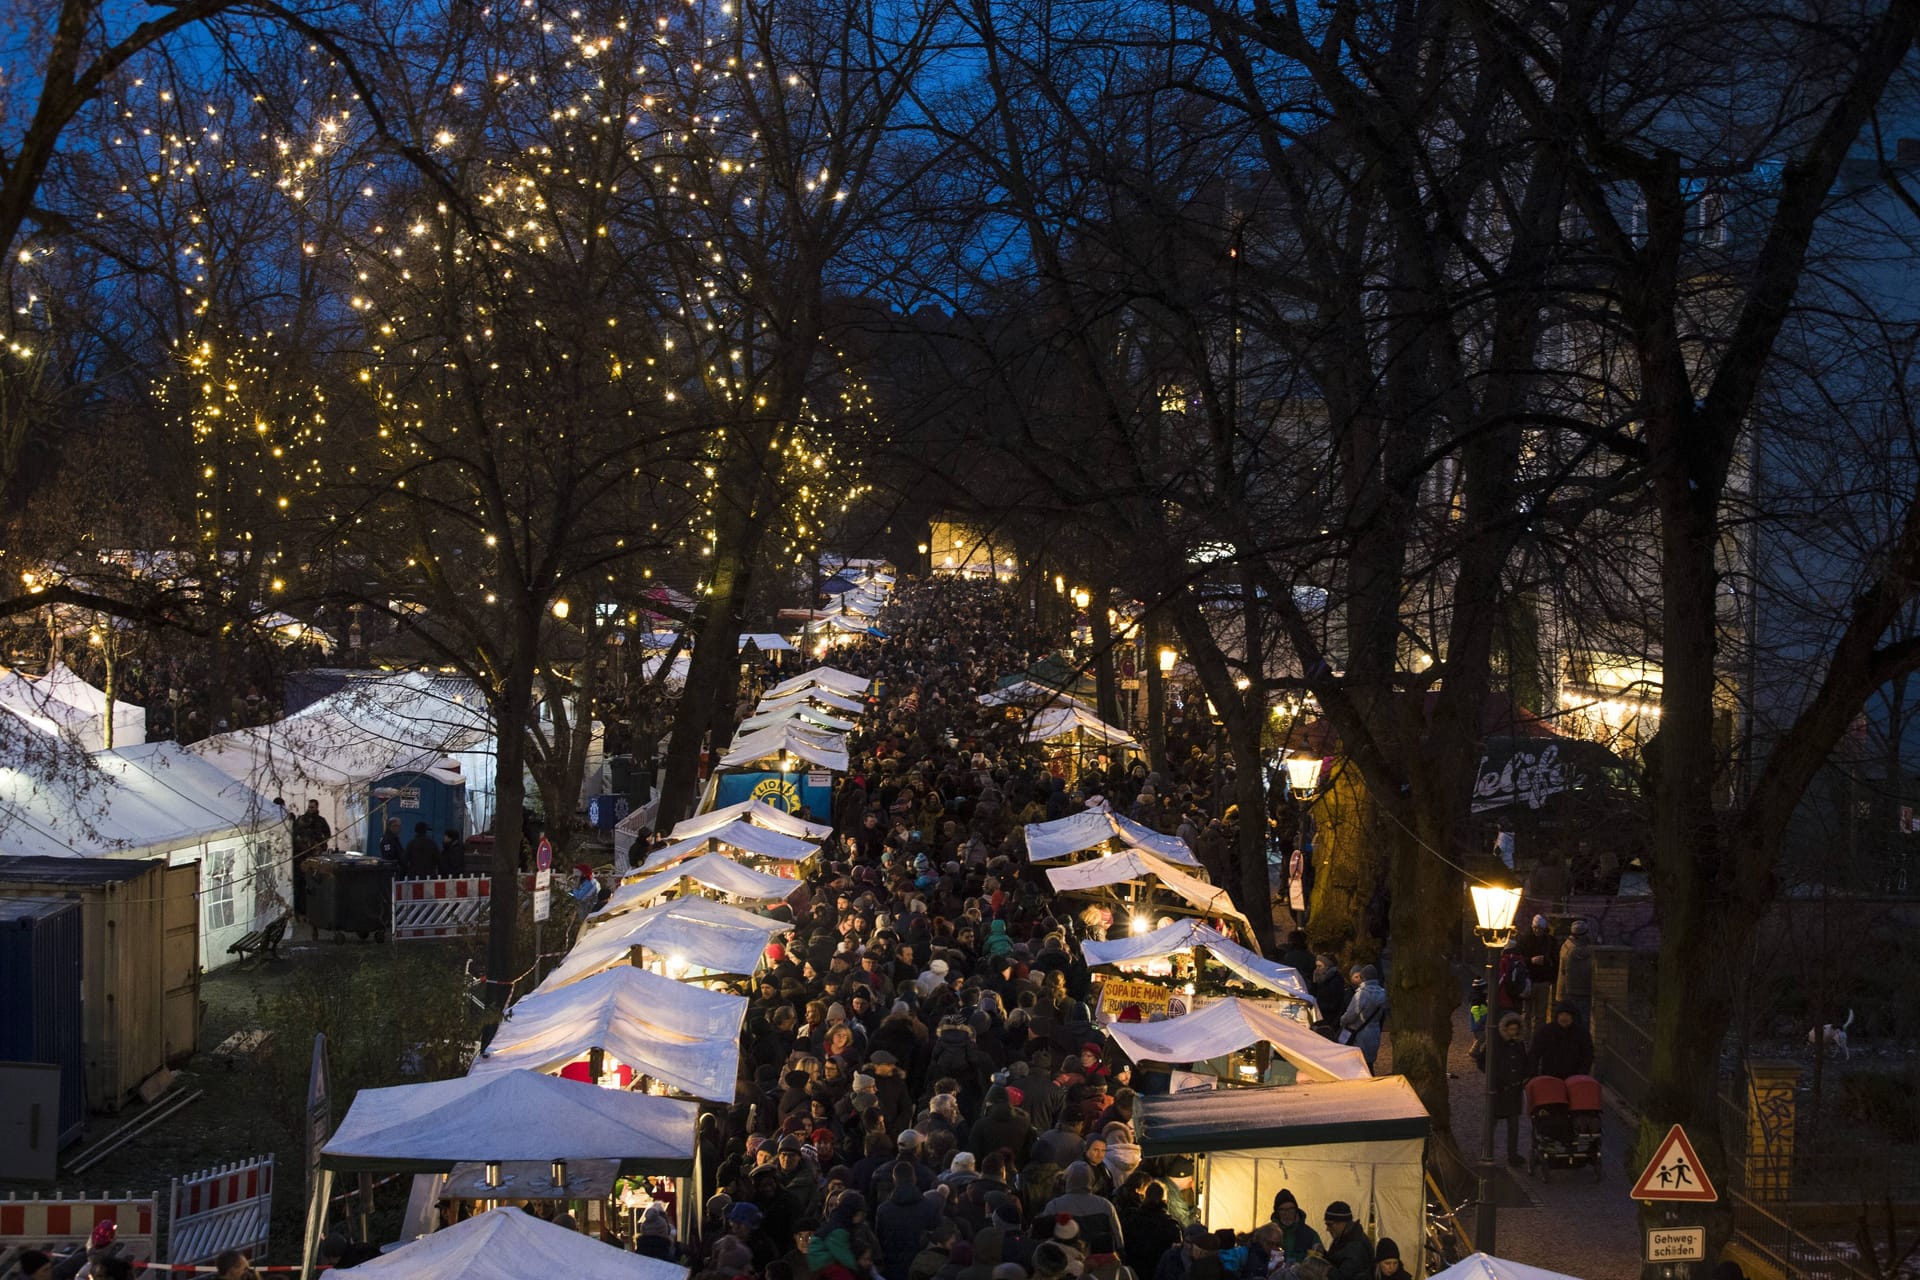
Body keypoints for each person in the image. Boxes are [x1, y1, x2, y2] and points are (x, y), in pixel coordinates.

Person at [1473, 1012, 1529, 1166]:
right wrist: (1493, 1077)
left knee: (1514, 1124)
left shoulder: (1519, 1045)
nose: (1512, 1033)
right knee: (1492, 1122)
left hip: (1514, 1090)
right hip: (1498, 1089)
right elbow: (1481, 1061)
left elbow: (1524, 1062)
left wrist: (1523, 1076)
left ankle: (1513, 1155)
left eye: (1515, 1030)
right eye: (1510, 1030)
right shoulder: (1496, 1044)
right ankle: (1486, 1151)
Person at [1339, 966, 1388, 1071]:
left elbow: (1351, 1015)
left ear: (1363, 977)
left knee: (1358, 1064)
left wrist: (1342, 1021)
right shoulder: (1383, 993)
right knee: (1369, 1064)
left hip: (1359, 1034)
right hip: (1374, 1031)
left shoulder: (1362, 994)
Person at [1530, 1001, 1596, 1079]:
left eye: (1567, 1015)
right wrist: (1533, 1074)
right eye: (1561, 1014)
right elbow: (1534, 1053)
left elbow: (1587, 1055)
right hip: (1550, 1077)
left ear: (1572, 1017)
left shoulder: (1581, 1033)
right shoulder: (1546, 1031)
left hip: (1574, 1078)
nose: (1564, 1018)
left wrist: (1582, 1073)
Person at [290, 798, 331, 920]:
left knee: (314, 884)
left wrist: (319, 846)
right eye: (309, 807)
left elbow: (327, 835)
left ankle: (313, 910)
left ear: (317, 807)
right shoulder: (301, 820)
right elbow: (295, 835)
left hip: (315, 858)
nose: (310, 809)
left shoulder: (321, 821)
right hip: (301, 858)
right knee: (300, 885)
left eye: (313, 807)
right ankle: (300, 910)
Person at [1520, 916, 1558, 1032]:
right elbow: (1519, 958)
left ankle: (1537, 1038)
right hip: (1529, 980)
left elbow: (1555, 959)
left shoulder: (1550, 941)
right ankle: (1526, 1038)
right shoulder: (1525, 940)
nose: (1537, 931)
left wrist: (1545, 961)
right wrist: (1530, 960)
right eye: (1535, 928)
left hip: (1542, 981)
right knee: (1527, 1013)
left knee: (1540, 1014)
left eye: (1540, 928)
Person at [1319, 1202, 1374, 1280]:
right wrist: (1323, 1254)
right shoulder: (1343, 1238)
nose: (1327, 1229)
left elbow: (1343, 1276)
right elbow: (1337, 1260)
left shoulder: (1357, 1246)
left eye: (1329, 1224)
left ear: (1342, 1223)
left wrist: (1324, 1270)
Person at [1267, 1188, 1321, 1262]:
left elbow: (1318, 1261)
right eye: (1282, 1210)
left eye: (1290, 1209)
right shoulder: (1267, 1234)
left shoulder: (1310, 1235)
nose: (1287, 1213)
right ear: (1277, 1212)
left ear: (1296, 1210)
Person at [1556, 920, 1594, 1022]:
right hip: (1578, 993)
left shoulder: (1566, 945)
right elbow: (1591, 953)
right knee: (1581, 1021)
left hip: (1566, 992)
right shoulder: (1578, 950)